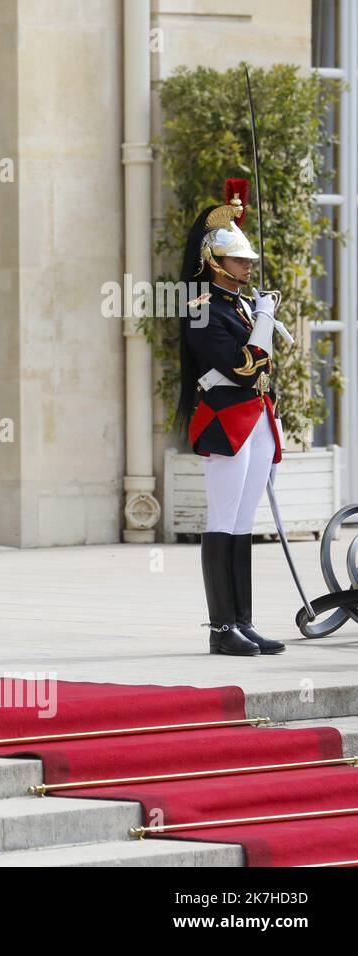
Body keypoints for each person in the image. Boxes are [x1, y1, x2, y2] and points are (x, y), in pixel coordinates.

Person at [176, 179, 287, 657]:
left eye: (247, 261)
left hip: (256, 417)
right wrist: (264, 320)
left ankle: (243, 621)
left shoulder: (241, 304)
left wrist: (257, 315)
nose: (247, 267)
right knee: (222, 519)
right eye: (239, 260)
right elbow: (244, 364)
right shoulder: (199, 309)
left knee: (244, 521)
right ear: (214, 262)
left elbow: (261, 372)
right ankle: (220, 629)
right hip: (225, 419)